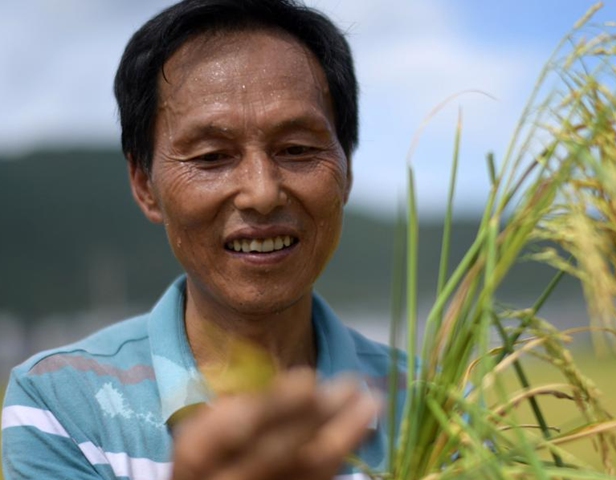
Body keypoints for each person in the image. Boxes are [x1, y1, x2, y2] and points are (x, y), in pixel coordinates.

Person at [1, 1, 407, 478]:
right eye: (212, 156)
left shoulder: (435, 402)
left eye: (297, 149)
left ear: (347, 169)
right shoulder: (60, 404)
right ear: (144, 185)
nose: (261, 192)